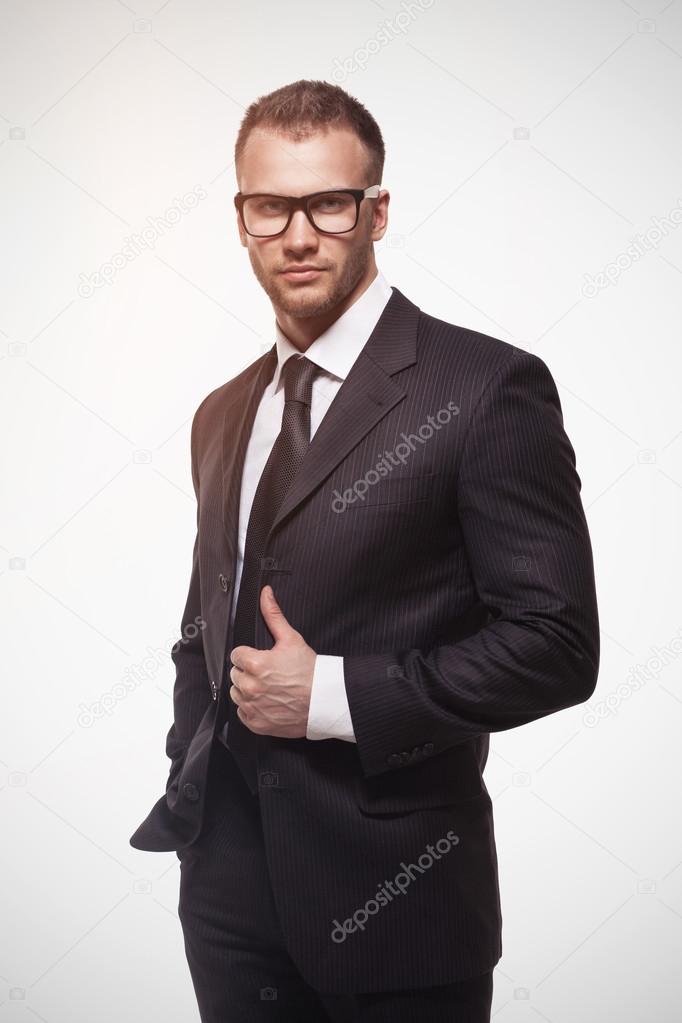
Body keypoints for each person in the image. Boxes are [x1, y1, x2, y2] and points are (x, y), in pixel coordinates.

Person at [130, 79, 600, 1023]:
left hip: (399, 906)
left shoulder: (485, 388)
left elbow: (558, 643)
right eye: (271, 207)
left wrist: (335, 697)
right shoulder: (221, 413)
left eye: (328, 203)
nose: (298, 236)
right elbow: (205, 626)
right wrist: (193, 782)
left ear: (375, 211)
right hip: (227, 902)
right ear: (241, 220)